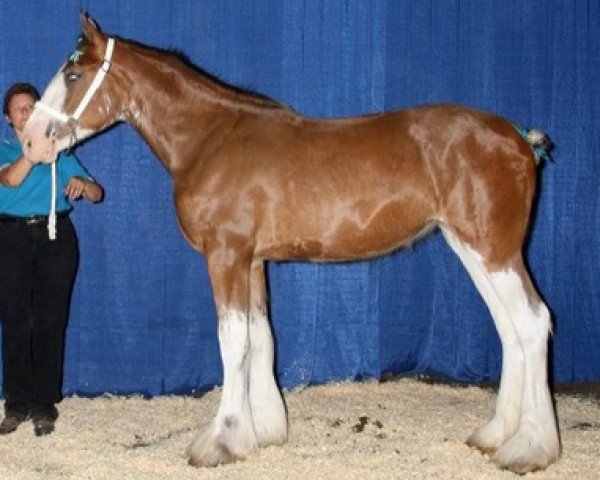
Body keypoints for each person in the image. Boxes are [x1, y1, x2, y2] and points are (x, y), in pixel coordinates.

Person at [0, 82, 103, 436]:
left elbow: (97, 191)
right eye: (19, 108)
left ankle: (44, 405)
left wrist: (81, 186)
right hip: (9, 238)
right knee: (15, 321)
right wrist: (32, 153)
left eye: (32, 106)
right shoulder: (4, 148)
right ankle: (16, 404)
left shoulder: (60, 150)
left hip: (55, 238)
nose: (27, 113)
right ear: (8, 117)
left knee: (49, 321)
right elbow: (9, 180)